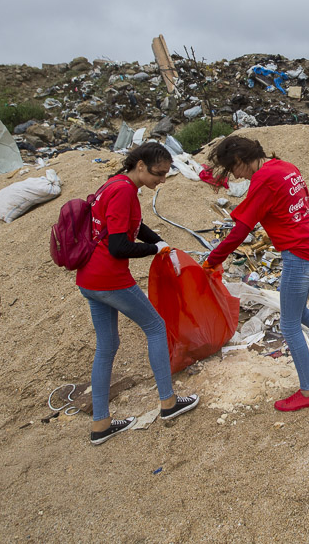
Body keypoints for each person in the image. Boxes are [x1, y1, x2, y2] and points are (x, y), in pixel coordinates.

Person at [203, 135, 309, 412]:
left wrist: (212, 261)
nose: (236, 176)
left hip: (299, 255)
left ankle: (308, 392)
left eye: (233, 169)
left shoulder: (264, 179)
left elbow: (240, 229)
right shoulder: (286, 167)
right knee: (298, 312)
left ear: (239, 160)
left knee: (288, 325)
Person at [76, 142, 199, 445]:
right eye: (159, 173)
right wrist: (153, 249)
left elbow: (134, 224)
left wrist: (161, 241)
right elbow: (119, 246)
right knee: (156, 328)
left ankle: (101, 424)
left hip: (89, 278)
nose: (162, 180)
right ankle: (169, 403)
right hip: (109, 277)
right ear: (140, 165)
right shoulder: (124, 191)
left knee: (107, 344)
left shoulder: (114, 184)